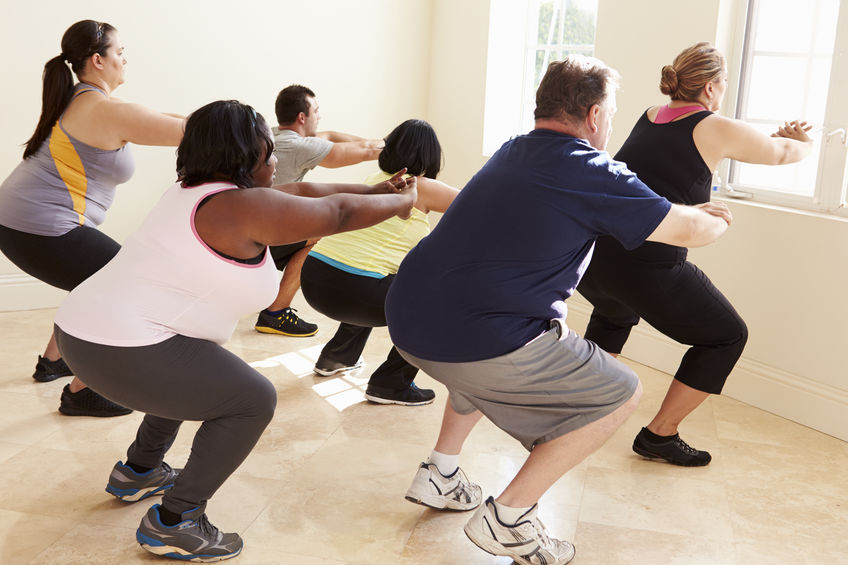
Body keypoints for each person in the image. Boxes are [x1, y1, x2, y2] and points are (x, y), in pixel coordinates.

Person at [384, 55, 733, 565]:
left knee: (480, 356)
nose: (611, 122)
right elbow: (687, 233)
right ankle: (509, 517)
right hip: (476, 336)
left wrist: (679, 212)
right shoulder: (589, 167)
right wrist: (717, 219)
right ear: (594, 114)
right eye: (610, 112)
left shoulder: (513, 152)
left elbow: (631, 209)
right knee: (621, 392)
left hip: (410, 321)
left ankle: (441, 472)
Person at [53, 100, 417, 561]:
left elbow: (305, 190)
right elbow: (337, 214)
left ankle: (139, 471)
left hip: (80, 334)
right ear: (245, 156)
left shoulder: (192, 192)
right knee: (251, 399)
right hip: (119, 350)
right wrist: (404, 202)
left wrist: (381, 189)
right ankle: (175, 521)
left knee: (201, 370)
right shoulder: (242, 206)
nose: (274, 162)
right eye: (268, 153)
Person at [576, 42, 813, 467]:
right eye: (723, 83)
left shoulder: (650, 116)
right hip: (646, 266)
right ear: (709, 87)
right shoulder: (713, 125)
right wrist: (803, 144)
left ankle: (572, 418)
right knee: (726, 336)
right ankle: (659, 435)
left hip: (598, 259)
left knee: (614, 315)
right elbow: (780, 153)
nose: (723, 90)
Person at [0, 20, 185, 417]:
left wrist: (222, 118)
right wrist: (242, 125)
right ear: (98, 60)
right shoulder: (101, 109)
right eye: (120, 52)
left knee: (96, 281)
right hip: (38, 227)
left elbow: (163, 117)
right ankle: (84, 391)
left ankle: (55, 362)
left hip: (21, 223)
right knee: (125, 286)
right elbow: (186, 132)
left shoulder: (85, 100)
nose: (125, 59)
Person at [301, 119, 459, 406]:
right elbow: (476, 204)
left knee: (378, 279)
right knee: (436, 303)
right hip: (351, 291)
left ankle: (336, 357)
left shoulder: (375, 179)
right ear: (430, 154)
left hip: (314, 278)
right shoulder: (420, 186)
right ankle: (390, 385)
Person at [254, 84, 386, 337]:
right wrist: (396, 144)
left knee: (310, 227)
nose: (319, 115)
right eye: (316, 110)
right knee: (320, 238)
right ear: (302, 117)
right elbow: (366, 151)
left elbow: (330, 134)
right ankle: (275, 313)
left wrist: (375, 141)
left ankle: (272, 305)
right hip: (264, 234)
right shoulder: (299, 148)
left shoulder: (271, 135)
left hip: (249, 221)